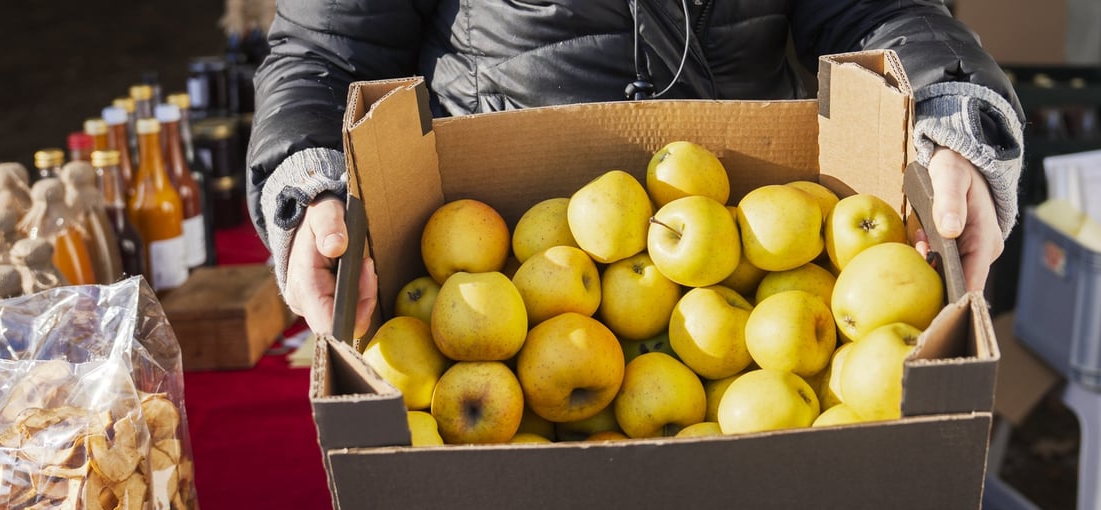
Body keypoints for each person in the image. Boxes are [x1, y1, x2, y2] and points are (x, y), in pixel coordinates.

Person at [247, 1, 1025, 338]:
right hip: (492, 262)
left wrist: (954, 109)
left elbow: (874, 5)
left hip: (753, 247)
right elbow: (327, 51)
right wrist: (308, 184)